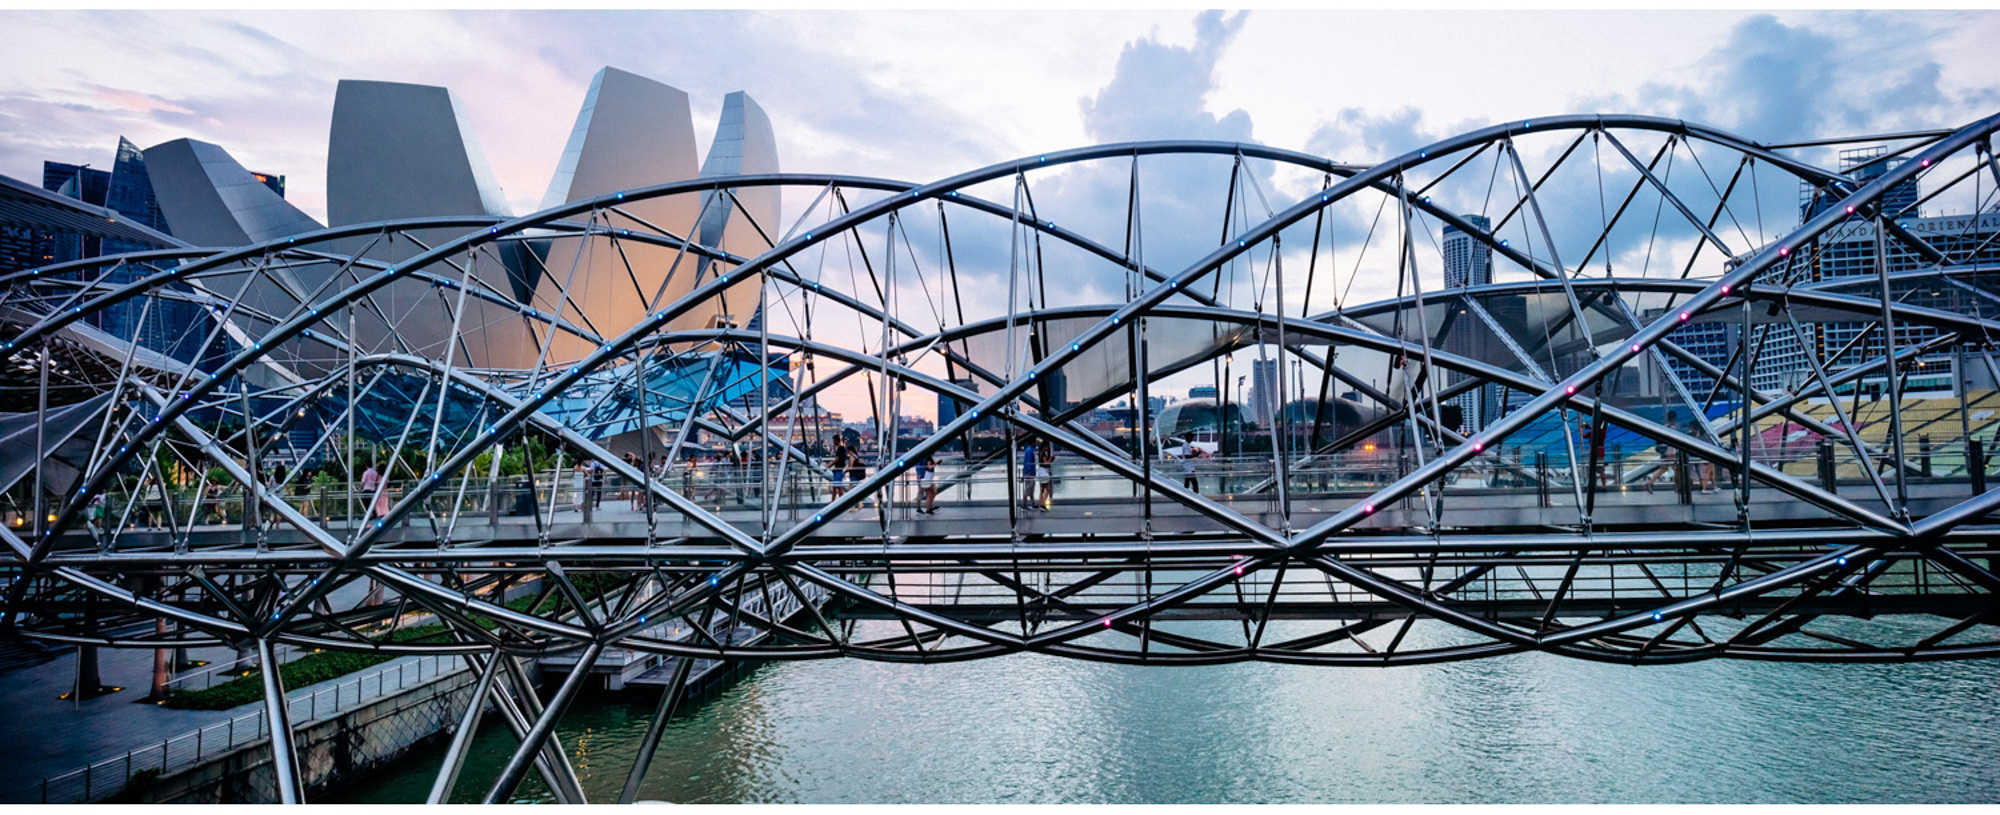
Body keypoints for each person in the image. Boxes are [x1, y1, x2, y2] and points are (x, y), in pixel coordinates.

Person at [1018, 439, 1041, 511]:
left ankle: (1033, 503)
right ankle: (1024, 503)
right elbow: (1028, 462)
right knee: (1028, 488)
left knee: (1031, 488)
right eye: (1036, 442)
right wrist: (1028, 473)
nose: (1036, 443)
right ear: (1033, 442)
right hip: (1029, 473)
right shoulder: (1029, 450)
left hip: (1030, 472)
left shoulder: (1029, 449)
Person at [1037, 440, 1056, 510]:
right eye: (1047, 447)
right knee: (1048, 489)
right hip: (1044, 472)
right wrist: (1050, 459)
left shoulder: (1040, 453)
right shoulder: (1044, 454)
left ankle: (1041, 503)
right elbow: (1046, 463)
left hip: (1040, 471)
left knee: (1042, 489)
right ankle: (1043, 503)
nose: (1048, 448)